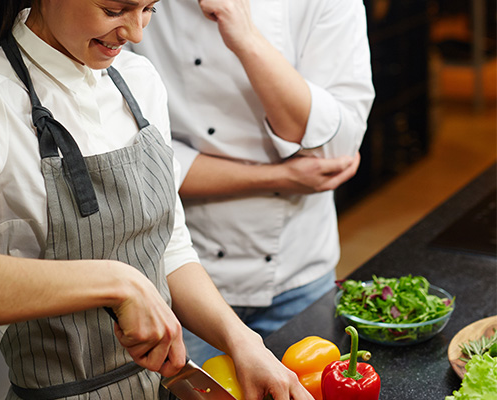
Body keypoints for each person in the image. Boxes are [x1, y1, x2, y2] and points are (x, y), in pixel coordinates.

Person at [0, 1, 314, 399]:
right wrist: (119, 282)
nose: (134, 33)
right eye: (114, 10)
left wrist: (243, 341)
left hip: (163, 387)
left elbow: (167, 245)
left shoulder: (139, 79)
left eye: (149, 9)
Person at [130, 0, 375, 365]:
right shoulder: (138, 8)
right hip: (181, 283)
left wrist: (245, 37)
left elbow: (334, 148)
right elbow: (136, 157)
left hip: (298, 271)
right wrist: (278, 177)